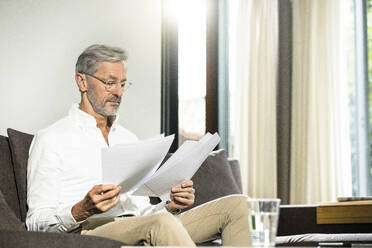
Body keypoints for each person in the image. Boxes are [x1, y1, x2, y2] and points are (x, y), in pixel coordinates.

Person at [26, 44, 251, 246]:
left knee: (236, 206)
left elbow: (143, 211)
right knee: (160, 224)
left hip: (140, 224)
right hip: (88, 231)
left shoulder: (128, 139)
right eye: (109, 83)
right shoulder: (52, 138)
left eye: (123, 84)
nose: (118, 92)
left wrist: (171, 205)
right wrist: (81, 209)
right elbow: (35, 222)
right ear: (82, 81)